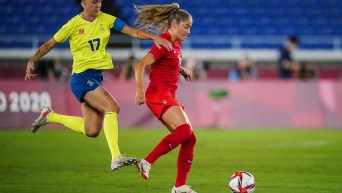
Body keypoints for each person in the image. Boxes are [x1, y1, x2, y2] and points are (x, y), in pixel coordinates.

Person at [24, 0, 172, 171]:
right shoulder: (72, 24)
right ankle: (116, 156)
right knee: (112, 107)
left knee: (92, 130)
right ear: (83, 3)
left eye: (100, 2)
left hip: (96, 77)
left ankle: (49, 116)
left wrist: (154, 37)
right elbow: (49, 44)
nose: (98, 5)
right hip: (81, 77)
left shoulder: (106, 19)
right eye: (94, 2)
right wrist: (32, 60)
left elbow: (133, 32)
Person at [133, 3, 197, 193]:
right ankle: (146, 162)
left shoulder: (175, 44)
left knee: (189, 139)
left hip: (167, 95)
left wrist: (182, 70)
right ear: (175, 24)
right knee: (185, 131)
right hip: (158, 95)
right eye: (186, 27)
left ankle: (179, 186)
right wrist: (139, 91)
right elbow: (140, 65)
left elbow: (168, 64)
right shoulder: (163, 41)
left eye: (190, 27)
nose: (188, 31)